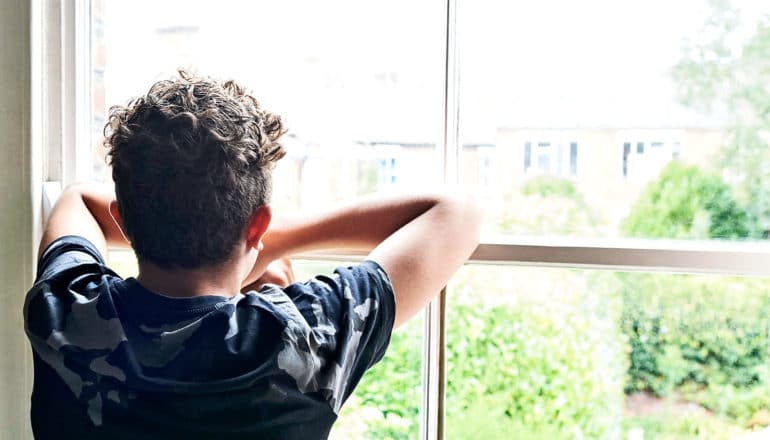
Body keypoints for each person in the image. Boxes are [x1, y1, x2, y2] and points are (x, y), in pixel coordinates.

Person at [24, 71, 482, 439]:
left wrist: (245, 237)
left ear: (123, 220)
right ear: (258, 223)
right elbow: (457, 212)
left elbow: (80, 200)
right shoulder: (303, 334)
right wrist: (265, 243)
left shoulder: (65, 311)